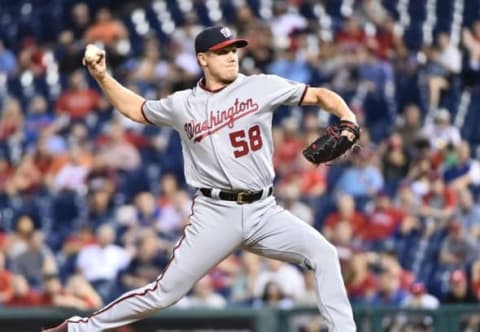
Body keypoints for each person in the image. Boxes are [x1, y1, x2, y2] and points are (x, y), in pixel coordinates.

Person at [44, 25, 357, 332]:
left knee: (324, 253)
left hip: (265, 210)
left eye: (234, 50)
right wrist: (101, 76)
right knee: (164, 293)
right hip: (215, 213)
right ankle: (80, 328)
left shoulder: (261, 86)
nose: (232, 56)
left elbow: (319, 95)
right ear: (202, 59)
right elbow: (137, 109)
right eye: (222, 52)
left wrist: (347, 118)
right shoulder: (183, 105)